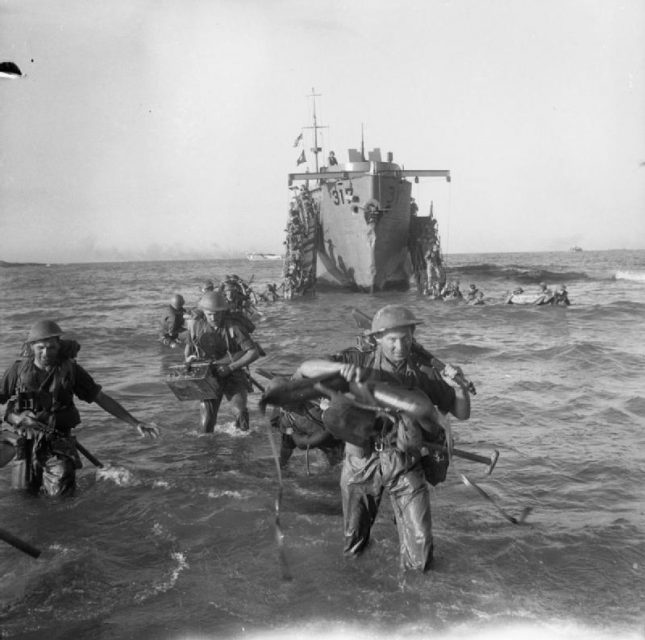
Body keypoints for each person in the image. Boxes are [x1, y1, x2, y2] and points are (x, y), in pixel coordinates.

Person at [293, 305, 471, 571]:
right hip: (361, 460)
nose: (400, 346)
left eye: (406, 339)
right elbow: (305, 369)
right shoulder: (358, 359)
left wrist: (459, 388)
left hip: (405, 461)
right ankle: (356, 592)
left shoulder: (424, 371)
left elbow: (461, 413)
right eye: (392, 340)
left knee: (421, 553)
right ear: (377, 338)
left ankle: (416, 599)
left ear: (413, 336)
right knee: (355, 544)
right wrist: (338, 370)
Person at [0, 320, 160, 497]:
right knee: (24, 497)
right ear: (31, 347)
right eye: (41, 348)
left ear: (58, 346)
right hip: (25, 443)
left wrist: (135, 423)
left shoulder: (71, 371)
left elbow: (99, 397)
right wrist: (17, 418)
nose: (46, 353)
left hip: (58, 444)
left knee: (61, 498)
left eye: (51, 347)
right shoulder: (17, 371)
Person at [184, 291, 261, 432]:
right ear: (203, 312)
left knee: (240, 413)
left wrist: (231, 368)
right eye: (209, 314)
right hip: (208, 375)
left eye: (217, 314)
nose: (213, 318)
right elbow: (189, 350)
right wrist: (189, 361)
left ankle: (242, 447)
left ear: (223, 312)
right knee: (206, 425)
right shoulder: (195, 325)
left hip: (233, 373)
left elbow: (253, 352)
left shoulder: (234, 327)